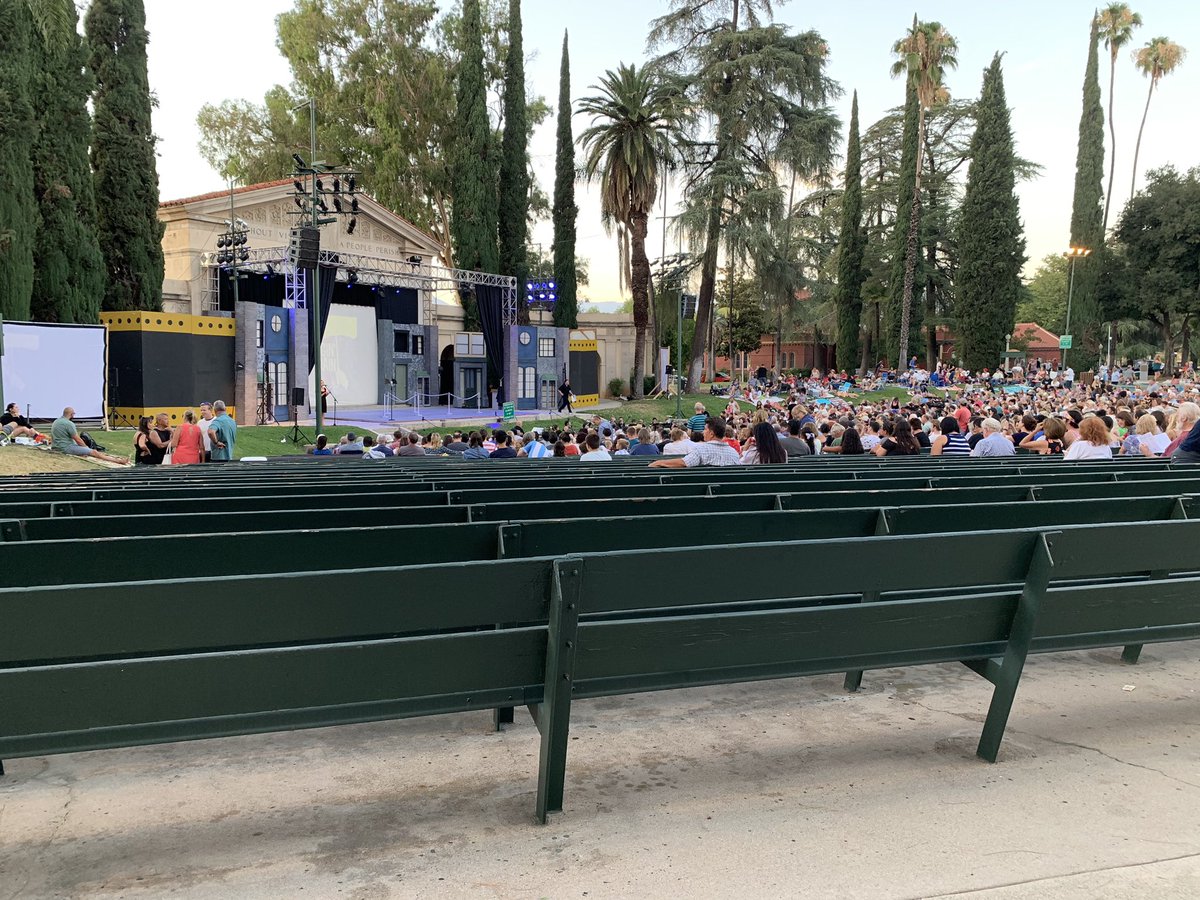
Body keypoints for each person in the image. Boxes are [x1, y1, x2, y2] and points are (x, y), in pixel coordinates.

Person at [650, 417, 742, 468]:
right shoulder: (734, 453)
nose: (703, 432)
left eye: (705, 429)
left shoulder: (701, 449)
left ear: (711, 433)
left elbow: (684, 463)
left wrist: (660, 463)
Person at [51, 407, 127, 464]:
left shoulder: (56, 421)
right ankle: (118, 461)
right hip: (65, 448)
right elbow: (78, 440)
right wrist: (87, 449)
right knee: (94, 452)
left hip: (56, 446)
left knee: (84, 449)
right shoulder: (69, 424)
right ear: (71, 414)